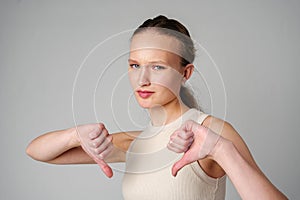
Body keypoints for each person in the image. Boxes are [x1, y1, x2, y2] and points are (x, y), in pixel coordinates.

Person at [26, 15, 287, 200]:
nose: (142, 79)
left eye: (158, 67)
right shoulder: (135, 143)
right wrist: (74, 135)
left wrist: (221, 150)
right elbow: (37, 151)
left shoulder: (212, 133)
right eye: (135, 65)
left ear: (186, 73)